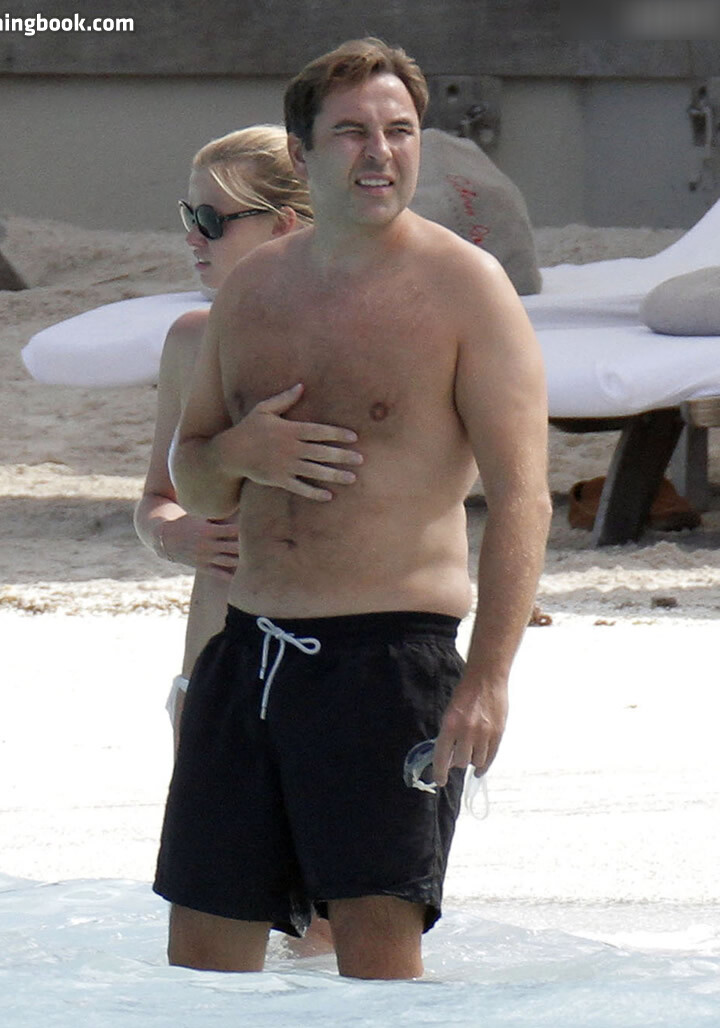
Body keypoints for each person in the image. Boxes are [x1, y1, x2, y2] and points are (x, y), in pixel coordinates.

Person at [155, 38, 551, 980]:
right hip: (247, 655)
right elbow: (193, 479)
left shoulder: (465, 289)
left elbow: (523, 498)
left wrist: (488, 679)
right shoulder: (254, 289)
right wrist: (240, 452)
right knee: (200, 966)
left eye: (400, 131)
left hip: (388, 665)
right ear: (302, 153)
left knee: (376, 968)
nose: (380, 153)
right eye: (352, 133)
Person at [133, 125, 332, 953]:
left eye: (212, 220)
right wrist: (176, 535)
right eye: (189, 216)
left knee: (325, 939)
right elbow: (154, 501)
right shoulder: (190, 340)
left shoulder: (355, 339)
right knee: (218, 937)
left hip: (331, 667)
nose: (193, 237)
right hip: (213, 666)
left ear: (285, 225)